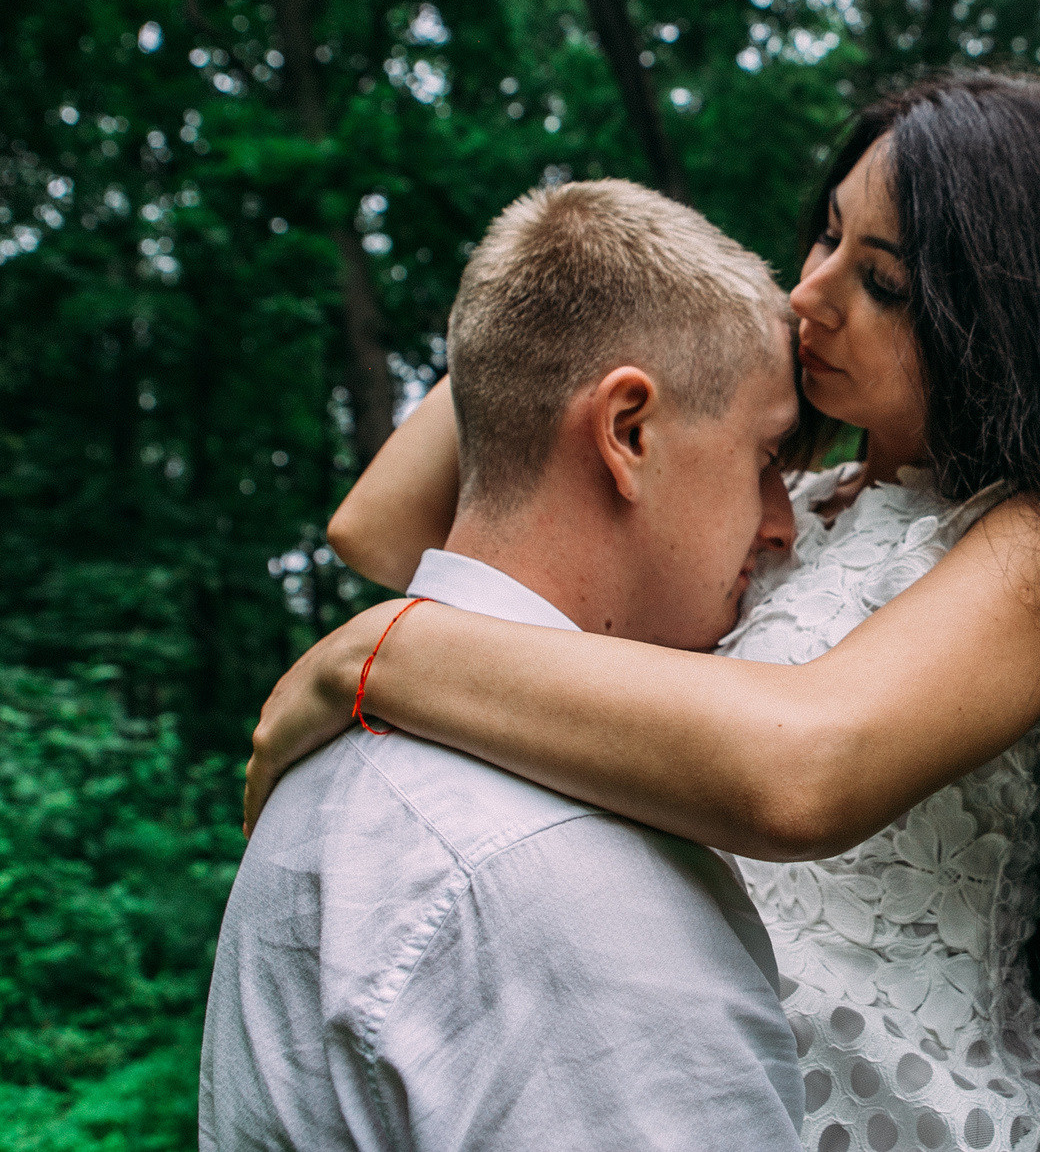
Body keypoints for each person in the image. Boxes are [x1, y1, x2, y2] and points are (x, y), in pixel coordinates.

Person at [250, 72, 1040, 1151]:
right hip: (663, 1078)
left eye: (883, 282)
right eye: (824, 236)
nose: (811, 294)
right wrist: (598, 301)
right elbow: (379, 526)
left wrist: (378, 656)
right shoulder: (793, 500)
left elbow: (804, 770)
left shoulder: (1031, 546)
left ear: (1010, 319)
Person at [201, 180, 808, 1150]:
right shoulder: (569, 880)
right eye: (767, 455)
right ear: (629, 431)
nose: (784, 523)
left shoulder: (331, 770)